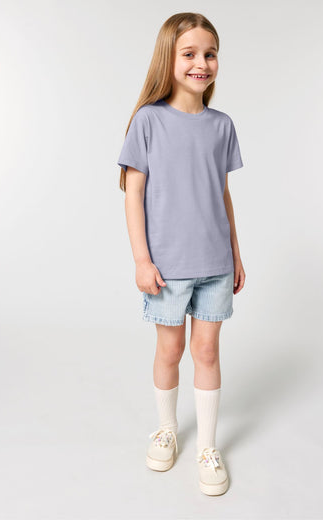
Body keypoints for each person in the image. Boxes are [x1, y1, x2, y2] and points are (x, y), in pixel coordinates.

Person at [117, 12, 245, 496]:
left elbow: (222, 194)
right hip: (167, 267)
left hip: (215, 264)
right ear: (167, 59)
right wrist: (141, 260)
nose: (201, 63)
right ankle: (167, 429)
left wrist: (235, 254)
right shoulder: (148, 121)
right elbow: (133, 193)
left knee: (207, 351)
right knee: (170, 350)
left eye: (210, 54)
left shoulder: (222, 125)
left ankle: (207, 446)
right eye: (189, 53)